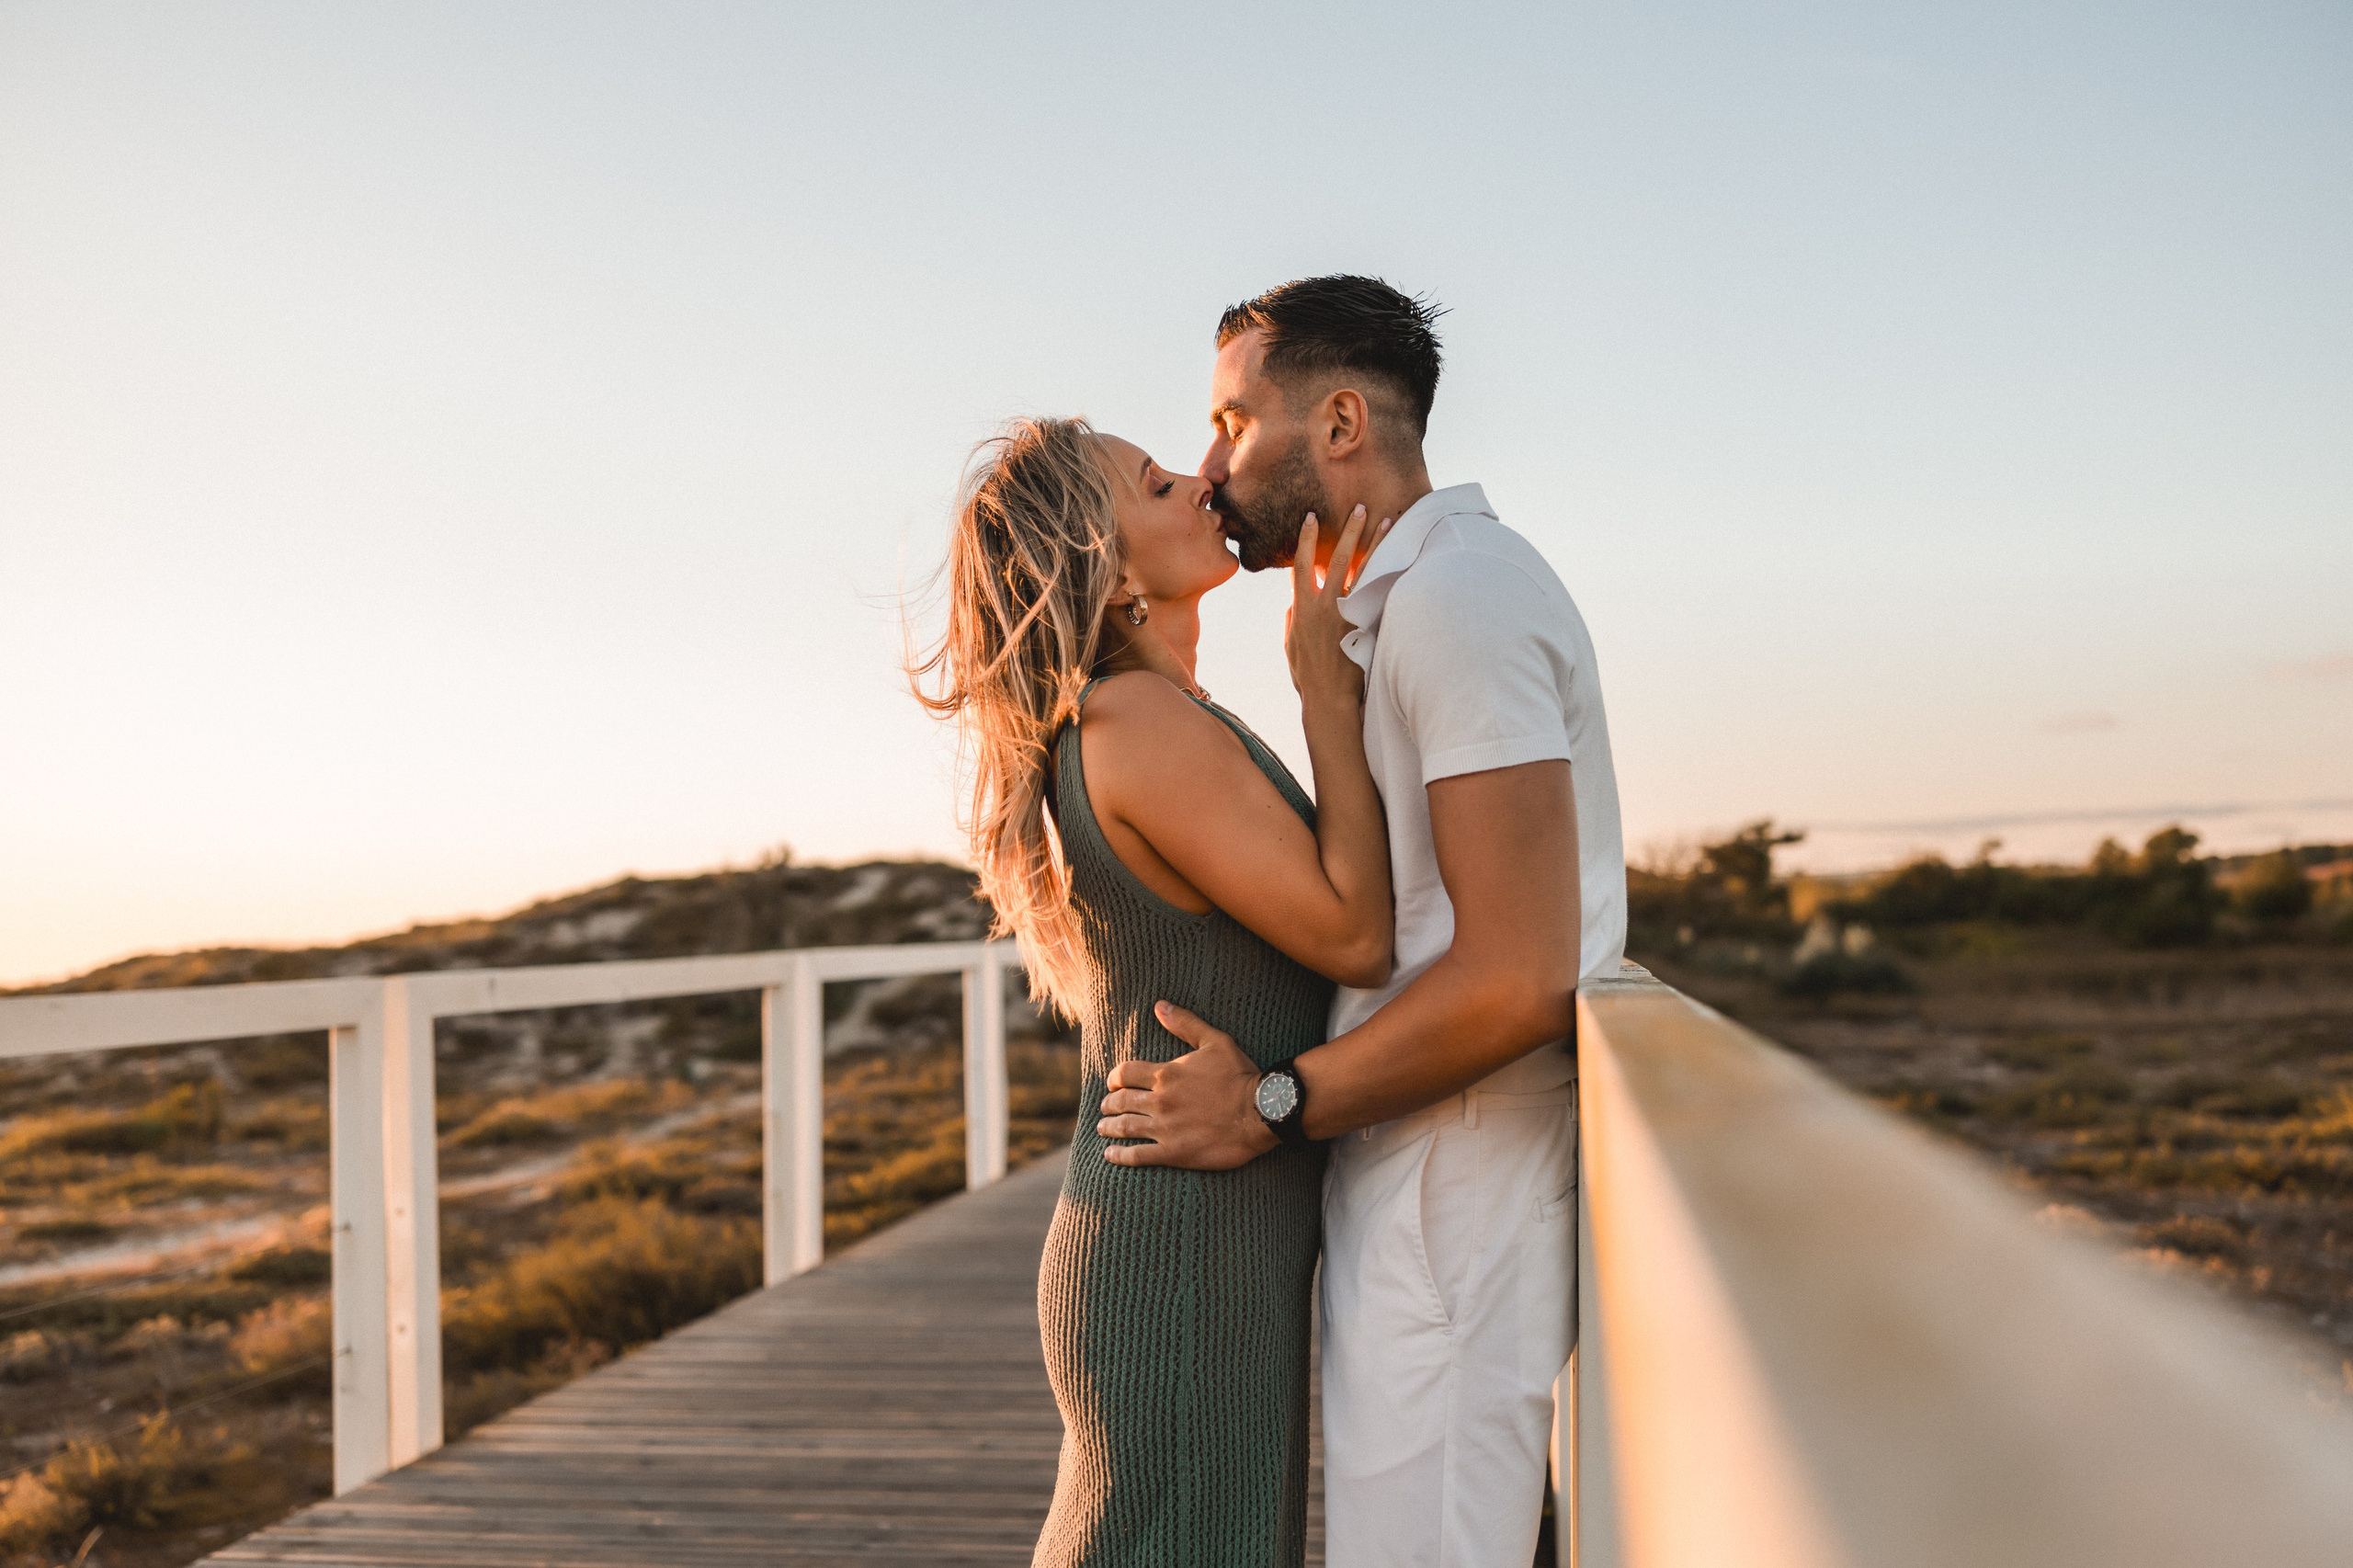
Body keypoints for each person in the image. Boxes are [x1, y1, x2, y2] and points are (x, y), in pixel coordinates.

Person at [1091, 276, 1629, 1568]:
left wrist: (1269, 1102)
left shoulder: (1461, 599)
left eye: (1232, 424)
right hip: (1418, 1157)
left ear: (1339, 424)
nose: (1213, 468)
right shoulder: (1394, 611)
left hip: (1460, 1171)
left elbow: (1513, 975)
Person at [913, 415, 1396, 1566]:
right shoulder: (1135, 721)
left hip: (1204, 1228)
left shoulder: (1160, 714)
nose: (1203, 485)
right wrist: (1326, 692)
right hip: (1180, 1249)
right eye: (1159, 482)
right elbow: (1355, 931)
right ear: (1110, 563)